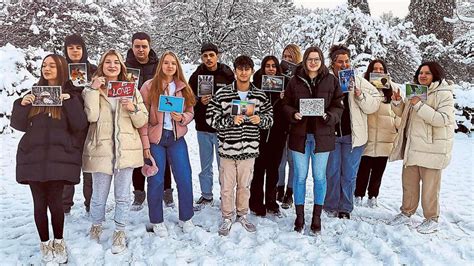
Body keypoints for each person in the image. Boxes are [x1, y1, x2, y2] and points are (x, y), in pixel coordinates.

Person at [10, 54, 88, 263]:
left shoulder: (71, 94)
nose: (47, 68)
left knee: (55, 203)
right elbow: (19, 125)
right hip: (33, 157)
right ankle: (45, 243)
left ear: (61, 68)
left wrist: (69, 101)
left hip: (59, 158)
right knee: (39, 204)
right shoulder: (34, 94)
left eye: (52, 65)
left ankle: (59, 241)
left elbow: (80, 125)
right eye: (45, 65)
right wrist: (22, 104)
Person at [82, 49, 148, 254]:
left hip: (125, 149)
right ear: (102, 65)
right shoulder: (92, 89)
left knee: (122, 196)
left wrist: (132, 107)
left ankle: (119, 230)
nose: (112, 65)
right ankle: (96, 225)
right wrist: (93, 90)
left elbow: (142, 119)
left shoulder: (131, 89)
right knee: (98, 195)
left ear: (121, 67)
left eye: (116, 63)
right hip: (101, 148)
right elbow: (91, 116)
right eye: (108, 62)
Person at [206, 55, 273, 236]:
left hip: (249, 149)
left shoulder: (259, 95)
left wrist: (260, 119)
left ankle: (242, 214)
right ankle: (227, 217)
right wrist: (229, 120)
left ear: (251, 71)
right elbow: (210, 118)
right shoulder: (223, 94)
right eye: (240, 69)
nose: (243, 72)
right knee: (227, 187)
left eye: (247, 69)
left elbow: (270, 119)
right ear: (235, 71)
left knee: (244, 186)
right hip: (228, 148)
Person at [282, 47, 344, 234]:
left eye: (316, 59)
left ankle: (316, 217)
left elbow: (338, 105)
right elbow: (286, 105)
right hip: (300, 136)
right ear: (305, 61)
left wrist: (329, 116)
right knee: (300, 177)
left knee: (319, 178)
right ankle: (299, 216)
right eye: (310, 59)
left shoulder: (331, 80)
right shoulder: (294, 81)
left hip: (322, 137)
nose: (313, 62)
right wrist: (293, 113)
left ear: (321, 61)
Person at [388, 62, 455, 234]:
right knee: (408, 184)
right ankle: (406, 212)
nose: (423, 76)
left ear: (436, 76)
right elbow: (406, 115)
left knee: (430, 187)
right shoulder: (416, 91)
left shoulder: (443, 94)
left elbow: (442, 119)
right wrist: (398, 103)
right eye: (420, 73)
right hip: (413, 145)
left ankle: (432, 218)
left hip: (432, 147)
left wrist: (418, 105)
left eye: (427, 73)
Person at [139, 51, 196, 237]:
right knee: (155, 179)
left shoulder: (182, 87)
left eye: (173, 63)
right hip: (156, 138)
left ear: (177, 66)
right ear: (160, 65)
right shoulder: (149, 86)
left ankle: (186, 217)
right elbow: (142, 118)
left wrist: (182, 118)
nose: (169, 66)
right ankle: (156, 220)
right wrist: (146, 144)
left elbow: (190, 111)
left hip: (176, 138)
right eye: (166, 63)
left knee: (184, 177)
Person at [323, 44, 381, 219]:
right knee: (332, 172)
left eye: (347, 61)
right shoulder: (325, 80)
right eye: (340, 62)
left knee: (348, 174)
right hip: (330, 136)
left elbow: (375, 103)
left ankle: (345, 208)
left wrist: (359, 94)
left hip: (353, 137)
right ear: (333, 63)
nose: (344, 65)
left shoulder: (358, 80)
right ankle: (331, 204)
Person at [125, 32, 175, 210]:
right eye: (137, 46)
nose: (140, 49)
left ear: (149, 46)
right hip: (133, 116)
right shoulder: (125, 67)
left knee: (163, 156)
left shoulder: (158, 65)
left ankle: (166, 192)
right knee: (138, 155)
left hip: (156, 117)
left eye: (144, 46)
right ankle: (139, 193)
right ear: (132, 46)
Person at [188, 42, 234, 209]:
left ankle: (225, 195)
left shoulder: (227, 73)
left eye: (211, 55)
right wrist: (199, 101)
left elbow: (236, 96)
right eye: (205, 56)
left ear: (217, 56)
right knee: (205, 165)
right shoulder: (196, 76)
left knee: (224, 165)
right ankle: (206, 195)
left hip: (223, 128)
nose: (208, 59)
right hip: (203, 127)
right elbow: (188, 99)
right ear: (201, 57)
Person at [354, 59, 399, 208]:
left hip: (386, 137)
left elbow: (399, 112)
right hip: (367, 135)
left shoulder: (393, 88)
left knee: (378, 171)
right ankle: (358, 194)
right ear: (370, 71)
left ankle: (373, 195)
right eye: (375, 69)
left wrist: (396, 126)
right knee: (363, 169)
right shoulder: (363, 86)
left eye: (381, 69)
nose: (378, 72)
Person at [62, 33, 98, 215]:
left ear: (84, 49)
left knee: (90, 167)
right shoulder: (60, 69)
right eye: (71, 48)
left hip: (90, 123)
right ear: (66, 50)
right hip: (67, 125)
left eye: (78, 47)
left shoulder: (92, 69)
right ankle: (65, 204)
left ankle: (91, 203)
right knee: (68, 163)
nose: (75, 51)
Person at [249, 55, 288, 217]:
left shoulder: (284, 85)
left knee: (274, 170)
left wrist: (284, 99)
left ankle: (271, 202)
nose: (271, 69)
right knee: (258, 169)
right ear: (263, 68)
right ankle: (256, 202)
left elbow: (289, 109)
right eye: (267, 66)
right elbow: (248, 106)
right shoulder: (256, 84)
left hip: (278, 134)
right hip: (259, 133)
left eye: (273, 66)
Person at [277, 44, 303, 209]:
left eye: (290, 57)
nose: (286, 60)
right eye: (285, 56)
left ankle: (290, 192)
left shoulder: (302, 74)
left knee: (293, 161)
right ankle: (279, 188)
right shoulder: (278, 72)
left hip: (296, 123)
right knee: (280, 160)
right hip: (280, 123)